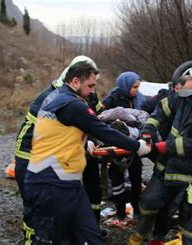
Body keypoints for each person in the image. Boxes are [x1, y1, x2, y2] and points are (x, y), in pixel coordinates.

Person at [23, 61, 151, 244]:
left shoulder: (56, 98)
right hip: (49, 183)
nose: (93, 91)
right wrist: (136, 146)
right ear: (75, 82)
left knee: (91, 236)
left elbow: (56, 135)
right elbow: (104, 131)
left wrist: (85, 145)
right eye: (90, 86)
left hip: (69, 183)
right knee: (51, 239)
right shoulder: (72, 104)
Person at [128, 66, 192, 245]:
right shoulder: (182, 99)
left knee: (191, 221)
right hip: (167, 168)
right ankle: (142, 233)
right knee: (149, 201)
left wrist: (165, 147)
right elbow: (158, 113)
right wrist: (147, 132)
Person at [13, 55, 103, 241]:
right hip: (31, 156)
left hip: (55, 159)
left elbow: (96, 117)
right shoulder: (55, 97)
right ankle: (33, 239)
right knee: (37, 210)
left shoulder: (81, 93)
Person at [102, 71, 145, 225]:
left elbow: (144, 117)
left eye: (138, 87)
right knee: (116, 178)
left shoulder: (139, 99)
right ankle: (120, 210)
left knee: (136, 177)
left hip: (133, 147)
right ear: (126, 85)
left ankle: (136, 208)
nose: (137, 90)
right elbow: (101, 119)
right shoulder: (112, 99)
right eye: (134, 87)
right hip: (115, 148)